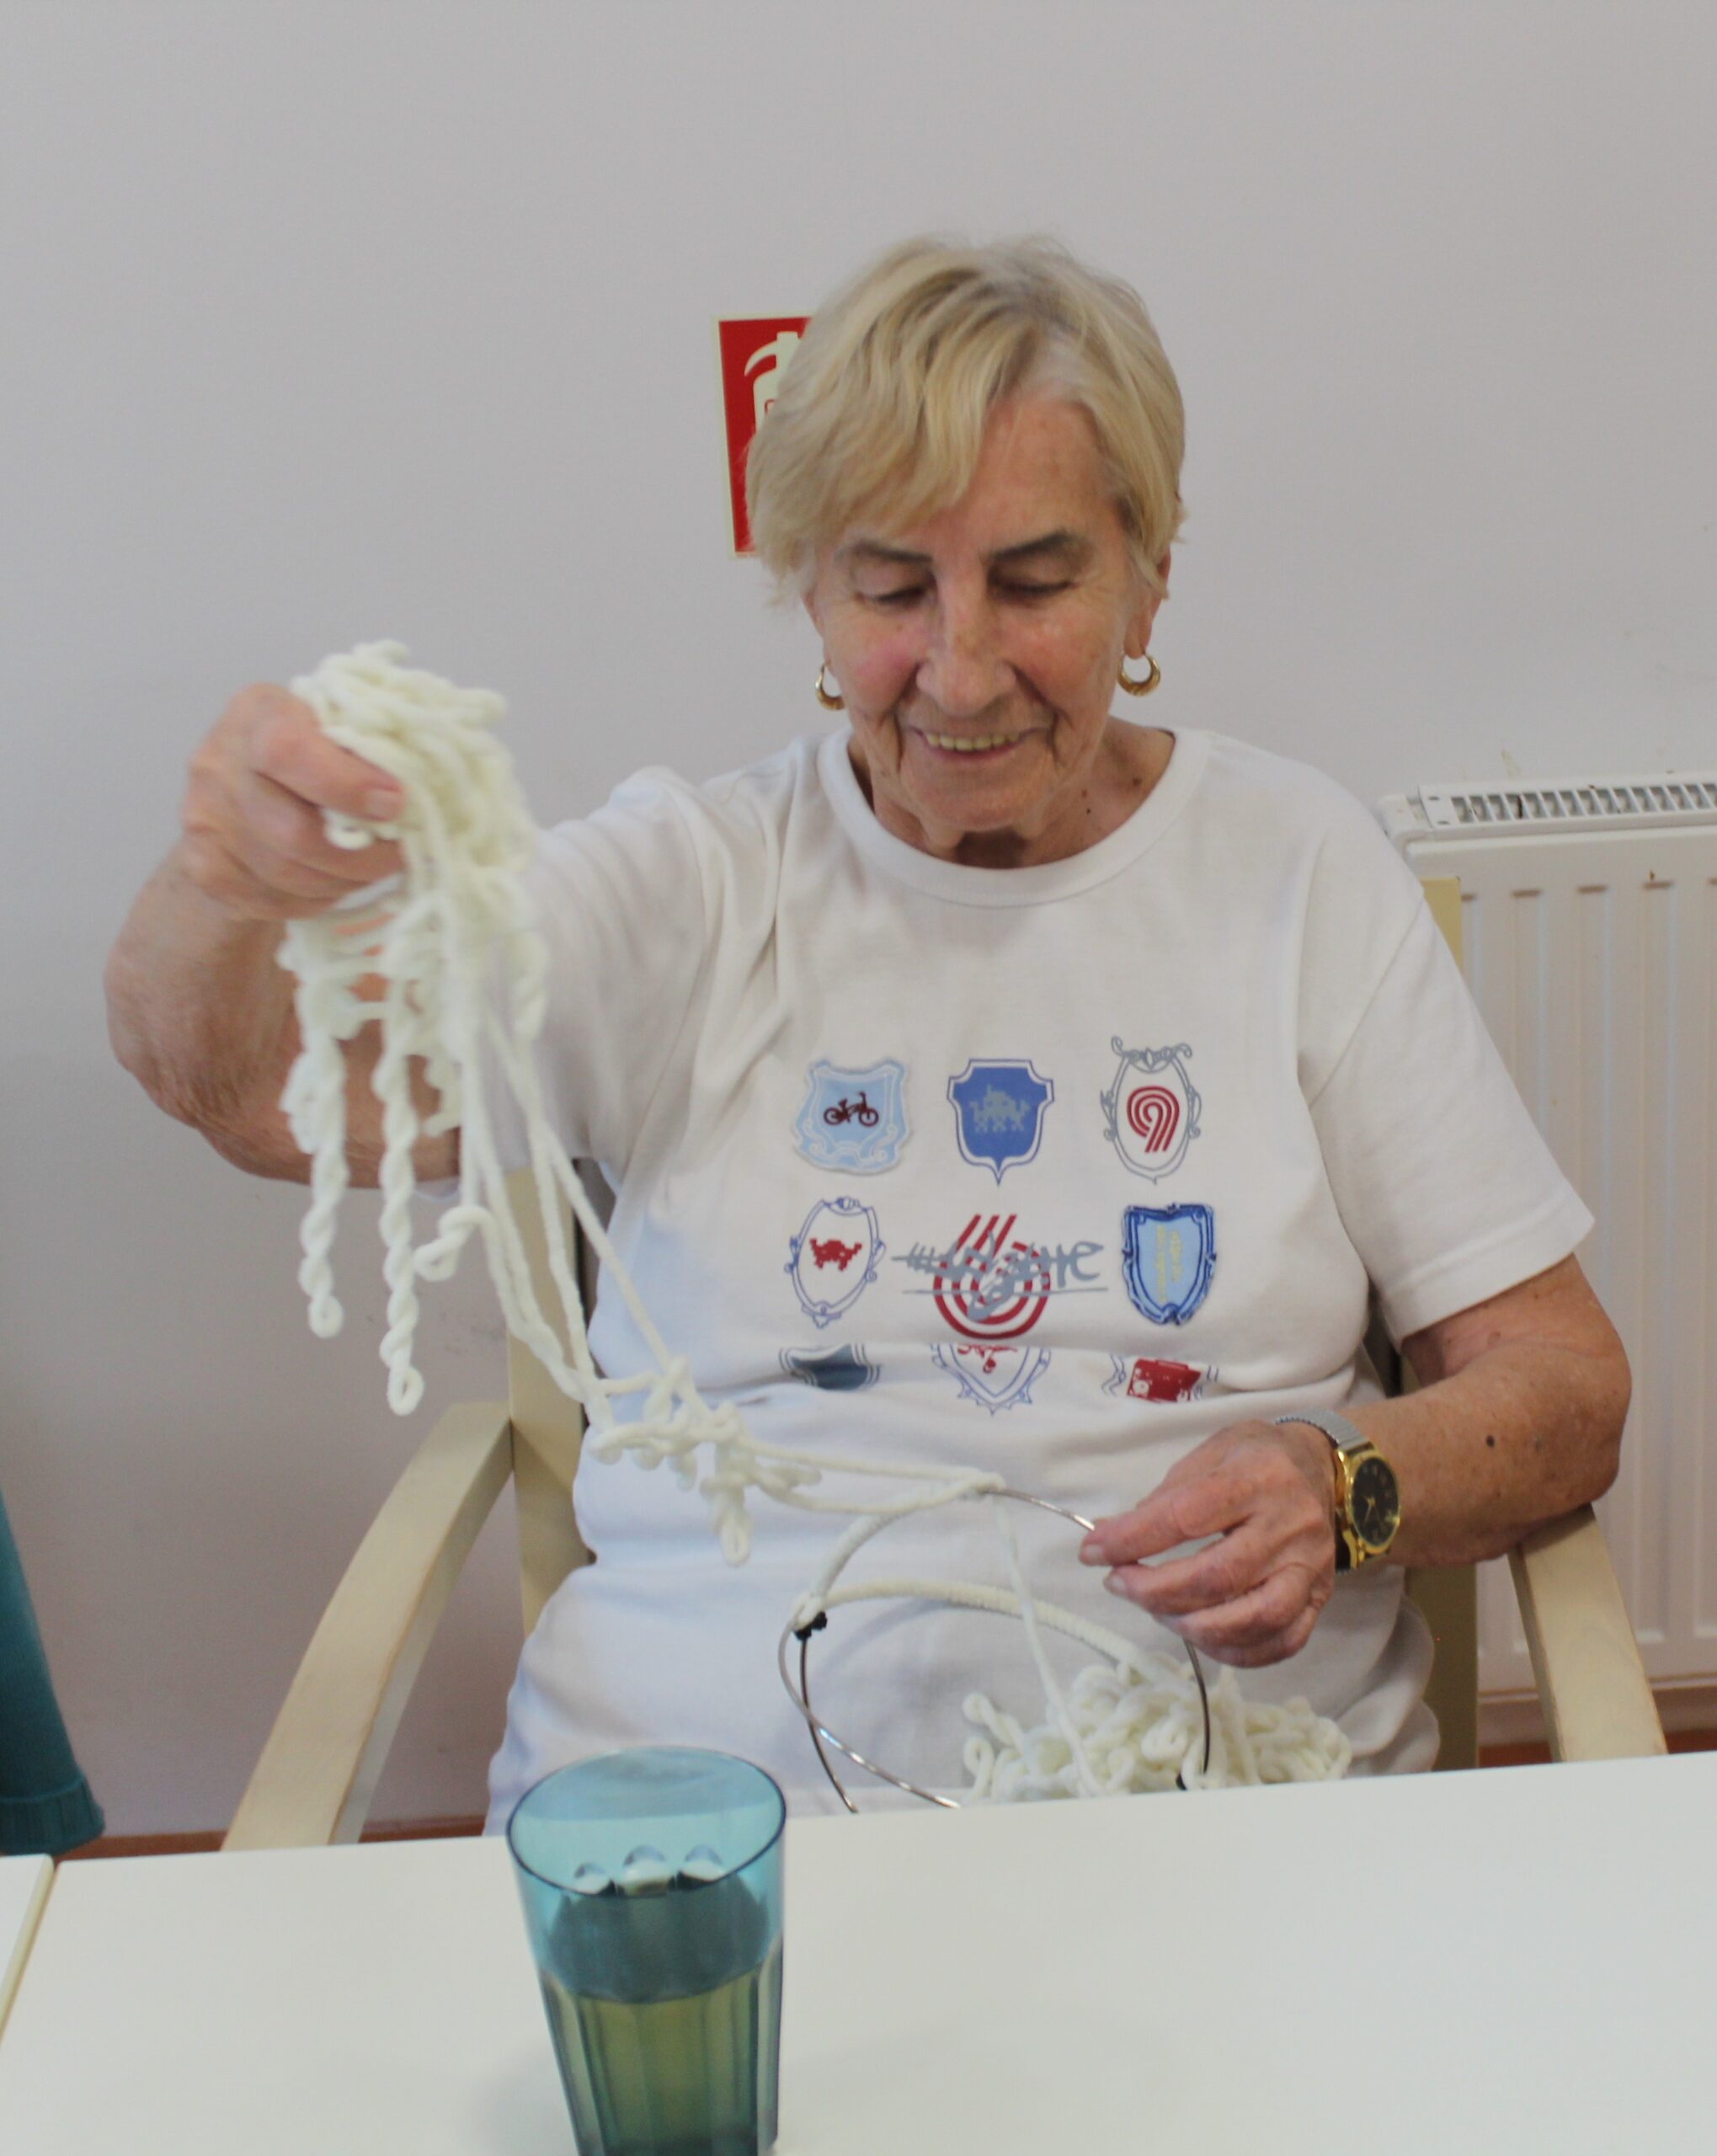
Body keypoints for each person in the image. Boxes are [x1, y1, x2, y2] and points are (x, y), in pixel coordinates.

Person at [106, 237, 1630, 1818]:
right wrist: (223, 881)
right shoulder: (692, 884)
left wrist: (1345, 1481)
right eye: (893, 587)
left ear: (1147, 574)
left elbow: (1563, 1390)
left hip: (1214, 1806)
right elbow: (250, 1095)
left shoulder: (1298, 872)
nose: (960, 673)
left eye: (1035, 581)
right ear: (812, 593)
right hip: (702, 1844)